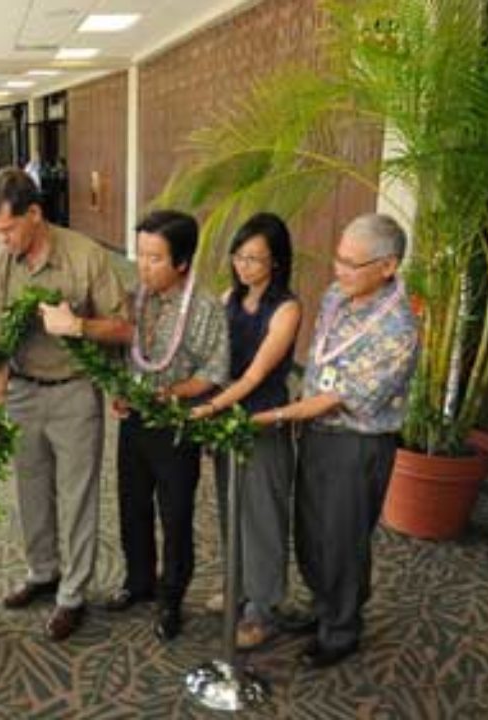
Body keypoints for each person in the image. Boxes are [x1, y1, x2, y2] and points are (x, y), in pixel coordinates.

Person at [52, 211, 229, 641]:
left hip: (174, 425)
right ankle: (138, 581)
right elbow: (123, 347)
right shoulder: (137, 297)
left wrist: (169, 395)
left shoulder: (204, 309)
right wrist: (118, 386)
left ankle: (171, 598)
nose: (142, 266)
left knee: (175, 514)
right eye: (141, 255)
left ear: (182, 263)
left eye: (154, 258)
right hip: (134, 422)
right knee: (132, 506)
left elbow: (213, 371)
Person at [252, 213, 418, 669]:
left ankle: (342, 629)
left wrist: (276, 414)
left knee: (341, 538)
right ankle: (323, 606)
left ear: (387, 267)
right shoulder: (335, 295)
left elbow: (338, 400)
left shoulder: (398, 330)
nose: (338, 270)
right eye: (338, 258)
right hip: (317, 434)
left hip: (357, 443)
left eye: (351, 263)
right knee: (309, 531)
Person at [0, 167, 129, 641]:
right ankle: (43, 573)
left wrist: (79, 327)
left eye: (8, 229)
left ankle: (73, 595)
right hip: (23, 391)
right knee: (31, 491)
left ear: (35, 213)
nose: (2, 241)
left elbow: (124, 329)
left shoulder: (85, 257)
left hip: (75, 390)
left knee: (78, 494)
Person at [191, 213, 302, 649]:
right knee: (231, 505)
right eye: (239, 256)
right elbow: (214, 361)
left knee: (263, 515)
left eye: (255, 259)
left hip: (262, 417)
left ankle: (263, 607)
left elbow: (255, 376)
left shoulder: (287, 308)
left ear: (276, 262)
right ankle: (238, 586)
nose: (244, 266)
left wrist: (211, 406)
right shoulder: (228, 299)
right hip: (225, 417)